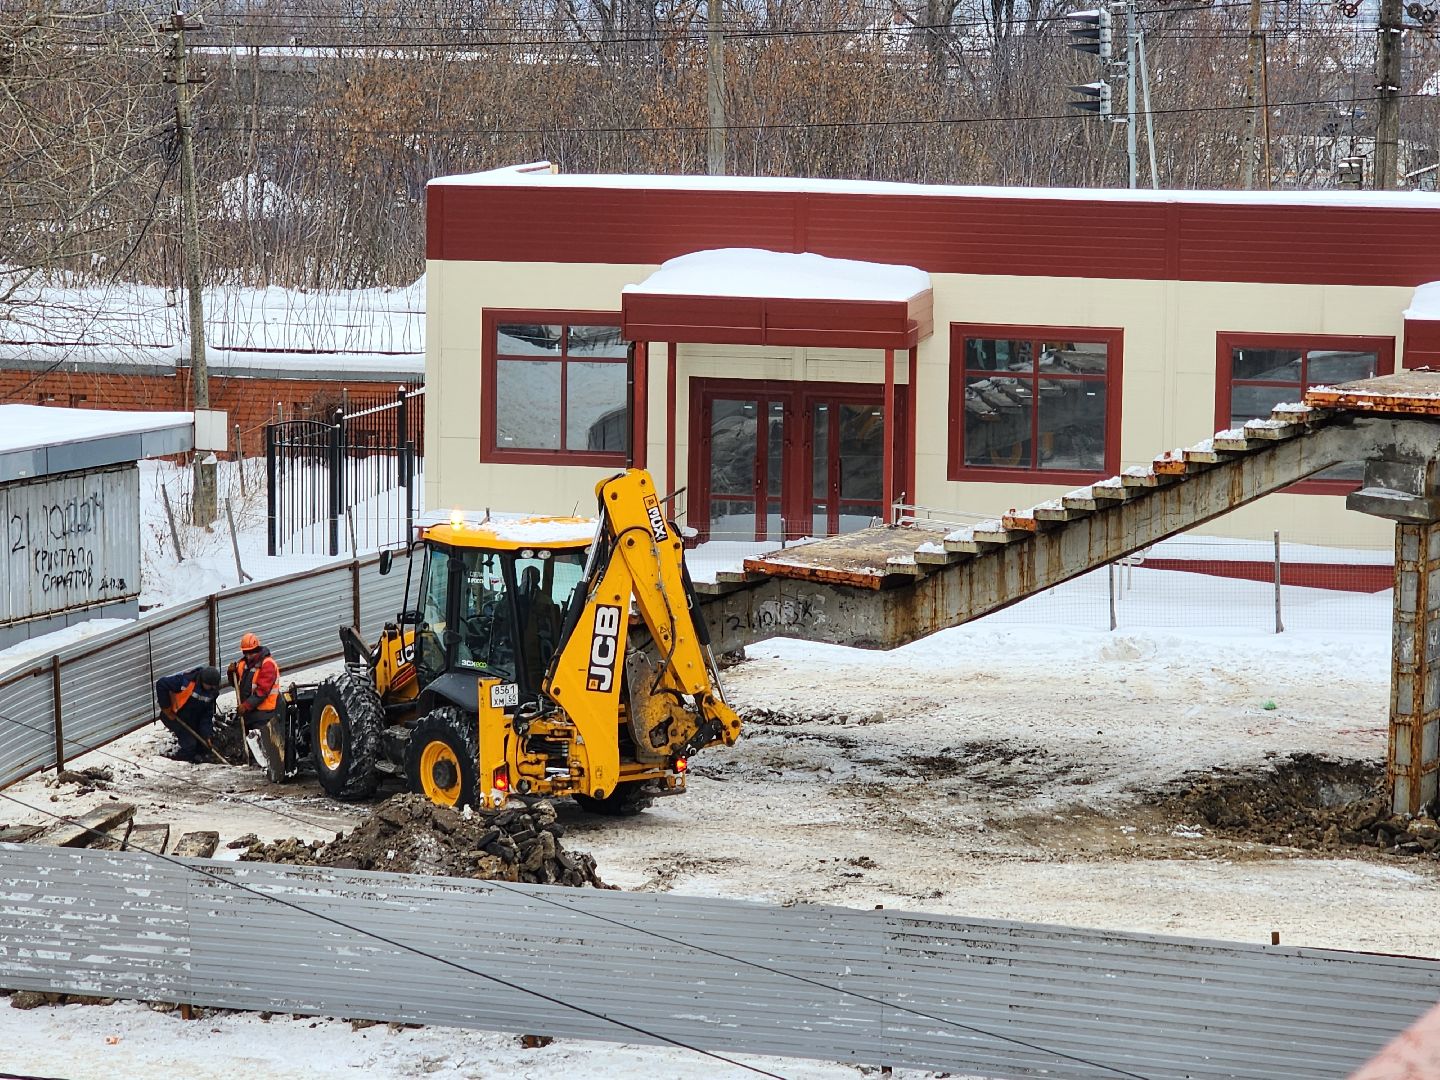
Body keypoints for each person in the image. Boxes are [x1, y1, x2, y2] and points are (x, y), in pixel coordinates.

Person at [228, 631, 285, 782]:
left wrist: (245, 706)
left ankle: (265, 765)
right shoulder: (242, 664)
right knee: (247, 738)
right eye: (245, 653)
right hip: (249, 712)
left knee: (262, 741)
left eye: (251, 653)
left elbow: (262, 692)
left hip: (264, 712)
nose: (248, 656)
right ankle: (248, 761)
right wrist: (230, 673)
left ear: (257, 650)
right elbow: (235, 683)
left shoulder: (268, 665)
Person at [154, 665, 223, 763]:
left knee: (203, 745)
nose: (211, 688)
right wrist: (166, 708)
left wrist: (206, 734)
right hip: (174, 716)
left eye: (214, 686)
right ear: (202, 681)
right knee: (190, 745)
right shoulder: (185, 682)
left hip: (193, 718)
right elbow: (161, 684)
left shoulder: (212, 692)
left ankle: (199, 759)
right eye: (209, 685)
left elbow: (207, 714)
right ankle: (179, 762)